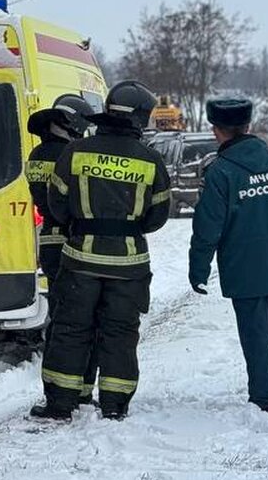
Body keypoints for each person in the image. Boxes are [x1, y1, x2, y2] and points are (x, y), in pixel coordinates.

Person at [31, 81, 171, 421]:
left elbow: (57, 204)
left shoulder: (75, 153)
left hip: (79, 260)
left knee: (70, 328)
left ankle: (60, 404)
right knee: (120, 332)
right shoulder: (151, 160)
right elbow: (156, 218)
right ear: (139, 118)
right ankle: (114, 404)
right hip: (129, 265)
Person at [188, 96, 268, 414]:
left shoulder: (221, 173)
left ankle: (266, 399)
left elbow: (207, 228)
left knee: (256, 332)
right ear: (248, 126)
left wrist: (198, 270)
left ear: (217, 131)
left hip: (243, 268)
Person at [26, 97, 95, 394]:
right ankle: (77, 385)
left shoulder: (37, 154)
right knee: (80, 317)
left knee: (59, 312)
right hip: (72, 240)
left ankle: (55, 386)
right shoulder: (71, 154)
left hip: (49, 242)